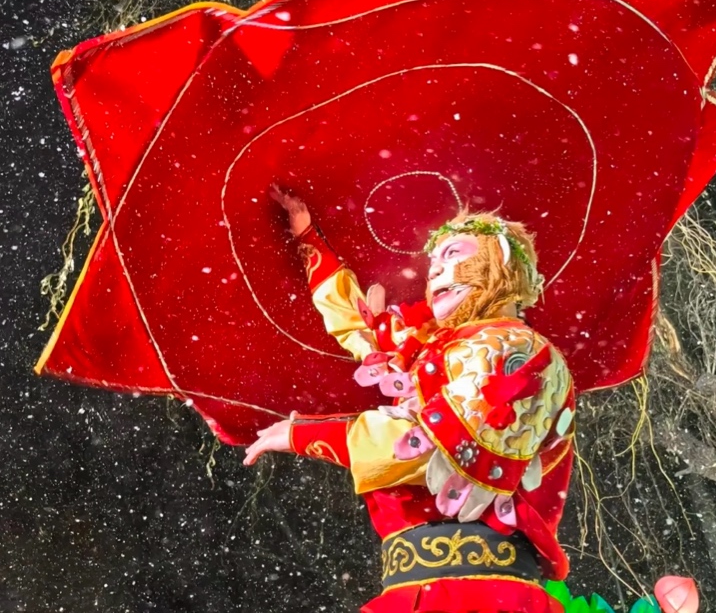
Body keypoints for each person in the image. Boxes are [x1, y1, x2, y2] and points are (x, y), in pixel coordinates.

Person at [244, 187, 576, 613]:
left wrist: (303, 435)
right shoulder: (432, 347)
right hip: (413, 592)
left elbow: (435, 446)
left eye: (453, 254)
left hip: (482, 596)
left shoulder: (518, 349)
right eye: (433, 262)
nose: (435, 271)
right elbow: (362, 329)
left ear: (500, 262)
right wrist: (309, 238)